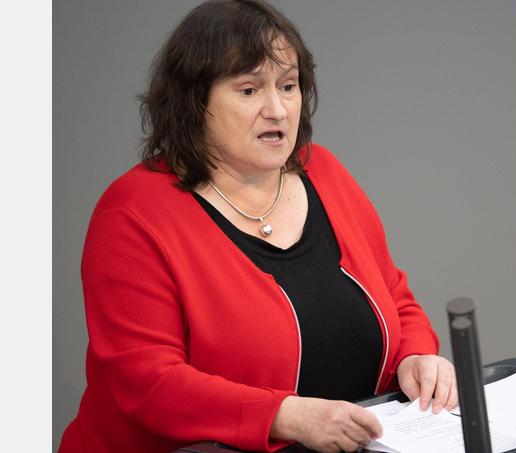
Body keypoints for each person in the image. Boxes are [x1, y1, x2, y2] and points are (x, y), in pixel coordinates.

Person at [58, 1, 457, 451]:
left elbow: (394, 295)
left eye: (288, 86)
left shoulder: (322, 172)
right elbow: (148, 383)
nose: (277, 109)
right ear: (194, 102)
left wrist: (417, 355)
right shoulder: (133, 214)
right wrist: (285, 415)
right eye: (249, 90)